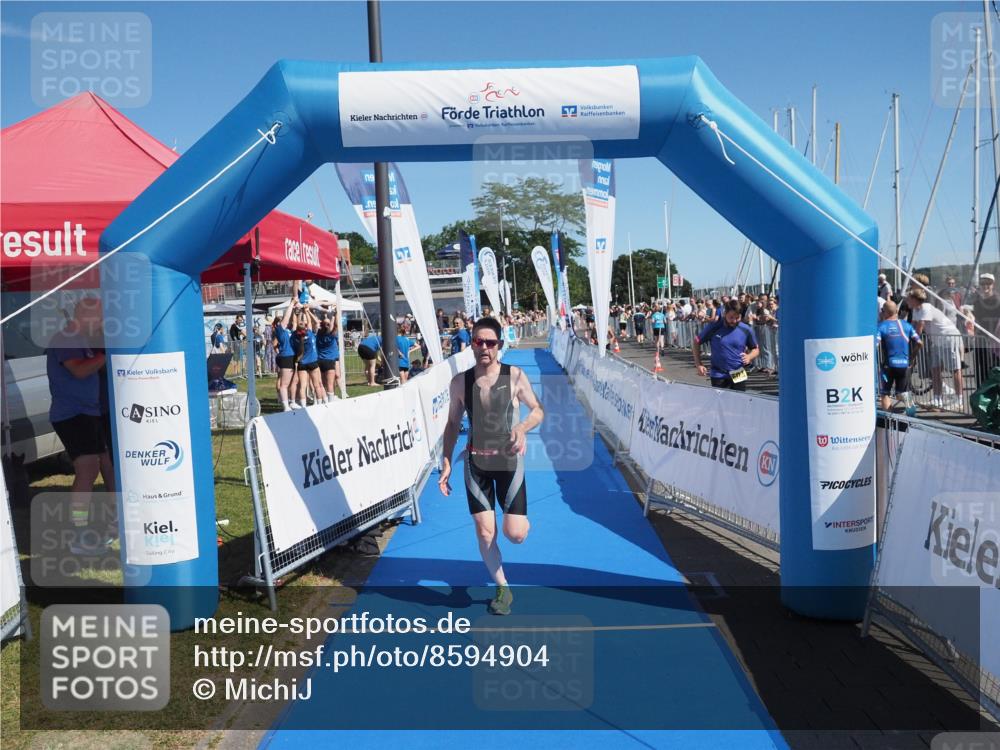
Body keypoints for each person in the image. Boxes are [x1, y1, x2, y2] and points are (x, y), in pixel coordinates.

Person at [438, 318, 544, 616]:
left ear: (499, 345)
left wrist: (522, 428)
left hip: (509, 463)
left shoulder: (515, 376)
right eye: (478, 342)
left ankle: (520, 521)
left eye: (490, 343)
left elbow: (538, 410)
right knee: (485, 533)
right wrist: (446, 461)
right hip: (476, 463)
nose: (484, 348)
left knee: (516, 535)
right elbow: (451, 423)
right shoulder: (460, 381)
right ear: (471, 343)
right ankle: (502, 587)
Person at [46, 297, 115, 546]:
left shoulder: (84, 339)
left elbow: (97, 369)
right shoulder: (65, 338)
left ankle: (115, 522)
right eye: (99, 317)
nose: (102, 322)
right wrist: (107, 353)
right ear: (85, 316)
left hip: (90, 413)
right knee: (87, 469)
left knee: (106, 464)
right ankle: (77, 532)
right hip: (72, 414)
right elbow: (79, 370)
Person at [908, 288, 965, 409]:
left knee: (955, 369)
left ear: (914, 299)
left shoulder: (925, 307)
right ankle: (937, 399)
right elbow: (912, 327)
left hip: (949, 338)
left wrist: (909, 342)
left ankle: (959, 400)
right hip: (936, 341)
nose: (907, 300)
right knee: (935, 369)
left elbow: (919, 329)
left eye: (909, 298)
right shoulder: (915, 309)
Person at [692, 299, 759, 391]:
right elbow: (696, 342)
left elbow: (756, 349)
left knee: (739, 402)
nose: (734, 320)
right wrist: (698, 364)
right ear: (725, 314)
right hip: (718, 373)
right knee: (722, 404)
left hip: (738, 372)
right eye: (731, 317)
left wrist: (749, 356)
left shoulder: (746, 329)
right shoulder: (715, 327)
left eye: (737, 317)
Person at [877, 300, 922, 414]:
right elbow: (919, 343)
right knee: (903, 393)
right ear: (897, 311)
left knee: (885, 394)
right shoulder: (907, 325)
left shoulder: (882, 326)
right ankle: (912, 416)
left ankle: (889, 421)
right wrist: (912, 357)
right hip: (904, 365)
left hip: (888, 367)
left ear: (884, 312)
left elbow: (875, 344)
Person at [292, 306, 326, 407]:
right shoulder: (310, 334)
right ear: (305, 328)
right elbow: (311, 323)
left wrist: (298, 314)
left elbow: (297, 324)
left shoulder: (295, 336)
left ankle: (303, 406)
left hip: (302, 363)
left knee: (303, 386)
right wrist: (306, 311)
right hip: (313, 362)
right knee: (317, 385)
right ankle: (319, 404)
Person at [973, 272, 1000, 386]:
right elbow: (975, 320)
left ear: (993, 284)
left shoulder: (997, 300)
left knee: (995, 369)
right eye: (983, 283)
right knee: (982, 370)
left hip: (995, 341)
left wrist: (994, 336)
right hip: (980, 340)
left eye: (988, 283)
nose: (985, 286)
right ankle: (981, 397)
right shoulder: (977, 302)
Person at [272, 299, 298, 410]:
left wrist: (296, 311)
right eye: (280, 321)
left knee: (293, 381)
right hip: (286, 356)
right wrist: (291, 304)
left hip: (291, 356)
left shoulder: (287, 330)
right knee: (284, 384)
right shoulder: (279, 330)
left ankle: (292, 402)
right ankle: (285, 406)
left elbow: (294, 323)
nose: (283, 321)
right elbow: (286, 318)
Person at [316, 309, 341, 402]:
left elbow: (330, 326)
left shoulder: (318, 335)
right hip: (329, 361)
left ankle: (324, 400)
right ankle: (330, 401)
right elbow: (336, 326)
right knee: (330, 384)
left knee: (322, 383)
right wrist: (335, 315)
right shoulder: (331, 336)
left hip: (320, 361)